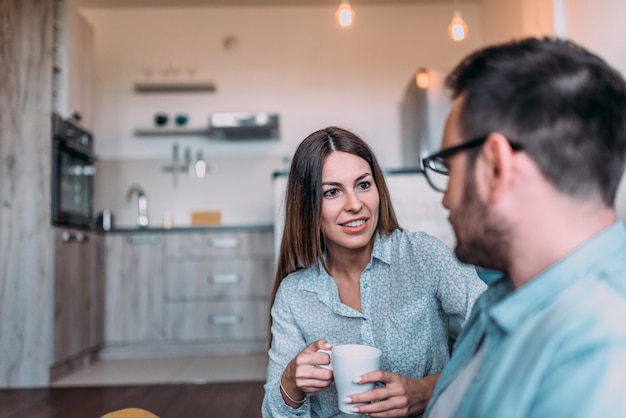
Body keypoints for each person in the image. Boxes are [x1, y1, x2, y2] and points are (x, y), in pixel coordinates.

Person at [421, 37, 626, 418]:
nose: (446, 199)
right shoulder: (502, 296)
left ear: (496, 166)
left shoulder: (603, 349)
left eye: (449, 170)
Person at [262, 127, 486, 417]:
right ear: (308, 206)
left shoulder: (423, 255)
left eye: (363, 185)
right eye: (332, 192)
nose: (355, 205)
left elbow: (503, 335)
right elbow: (272, 412)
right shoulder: (294, 295)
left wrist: (430, 389)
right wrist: (290, 384)